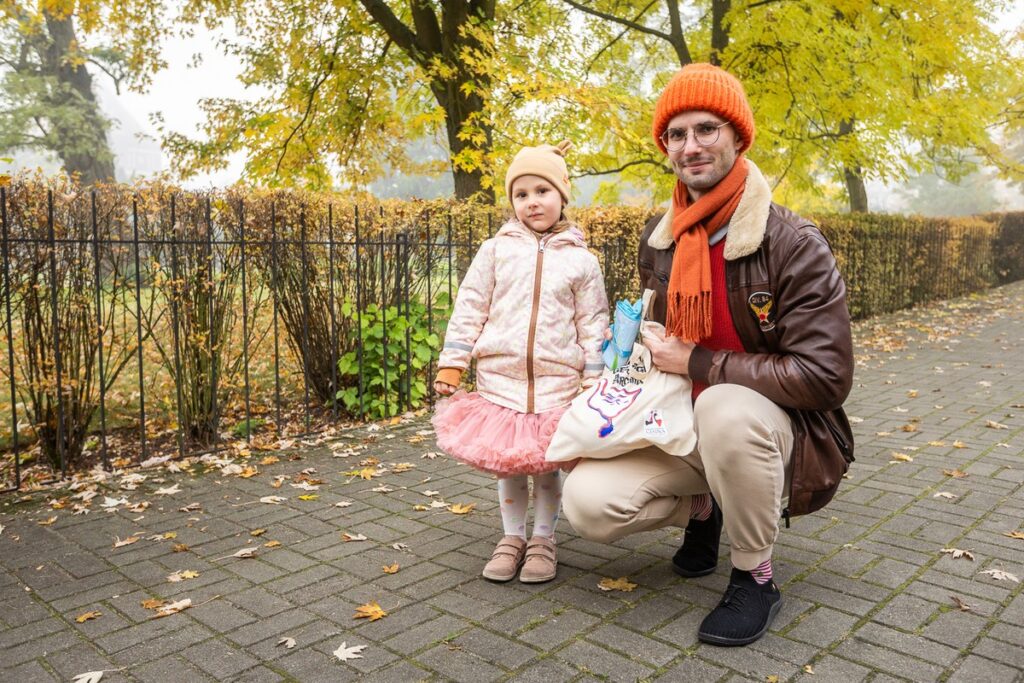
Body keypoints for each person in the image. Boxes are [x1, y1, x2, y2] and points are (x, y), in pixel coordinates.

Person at [561, 63, 855, 646]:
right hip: (678, 420)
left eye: (706, 130)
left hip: (772, 431)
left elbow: (825, 376)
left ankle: (755, 577)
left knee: (724, 405)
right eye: (676, 134)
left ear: (737, 136)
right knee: (587, 505)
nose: (690, 147)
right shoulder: (660, 237)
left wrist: (699, 363)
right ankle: (705, 508)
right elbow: (657, 341)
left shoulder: (791, 243)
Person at [432, 141, 609, 584]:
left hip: (557, 388)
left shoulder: (582, 262)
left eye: (542, 191)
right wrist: (453, 362)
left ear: (562, 196)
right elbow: (470, 306)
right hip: (500, 384)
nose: (532, 201)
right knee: (510, 466)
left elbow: (593, 323)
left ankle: (544, 540)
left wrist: (594, 378)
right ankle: (512, 538)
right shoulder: (494, 251)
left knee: (546, 469)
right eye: (521, 193)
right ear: (511, 202)